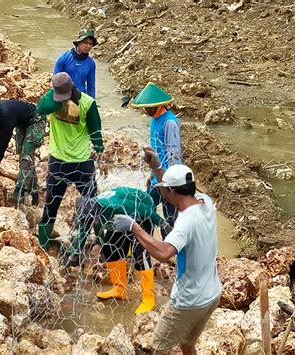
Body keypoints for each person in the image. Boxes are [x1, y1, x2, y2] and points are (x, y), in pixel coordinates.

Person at [112, 148, 221, 354]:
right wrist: (157, 168)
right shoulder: (205, 201)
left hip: (189, 301)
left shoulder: (186, 222)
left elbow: (163, 253)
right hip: (212, 295)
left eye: (165, 189)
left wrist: (134, 226)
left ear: (171, 191)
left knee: (159, 348)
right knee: (187, 344)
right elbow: (172, 190)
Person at [69, 187, 170, 314]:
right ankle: (119, 289)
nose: (89, 221)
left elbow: (146, 210)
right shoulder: (88, 210)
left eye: (92, 219)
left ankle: (149, 298)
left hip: (141, 212)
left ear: (96, 212)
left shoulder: (115, 206)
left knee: (139, 254)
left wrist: (163, 224)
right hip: (119, 221)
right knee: (109, 248)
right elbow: (85, 231)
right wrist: (74, 253)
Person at [37, 72, 104, 250]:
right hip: (62, 162)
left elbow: (96, 131)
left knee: (92, 203)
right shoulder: (53, 101)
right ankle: (42, 245)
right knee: (52, 203)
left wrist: (100, 153)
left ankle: (99, 239)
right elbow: (40, 108)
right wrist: (62, 99)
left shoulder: (88, 103)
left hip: (78, 162)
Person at [0, 96, 46, 206]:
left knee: (26, 157)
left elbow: (3, 141)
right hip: (22, 124)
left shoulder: (6, 113)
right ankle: (34, 193)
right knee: (23, 157)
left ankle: (19, 196)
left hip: (36, 120)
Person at [131, 82, 182, 228]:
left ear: (159, 105)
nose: (147, 110)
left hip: (168, 178)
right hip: (157, 176)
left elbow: (174, 154)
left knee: (170, 217)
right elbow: (156, 149)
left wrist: (172, 183)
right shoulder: (154, 120)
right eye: (145, 107)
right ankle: (149, 245)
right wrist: (152, 173)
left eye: (149, 107)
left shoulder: (169, 122)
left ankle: (170, 247)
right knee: (145, 211)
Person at [54, 28, 97, 99]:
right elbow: (56, 81)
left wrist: (92, 102)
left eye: (91, 44)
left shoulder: (91, 63)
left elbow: (91, 86)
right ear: (78, 43)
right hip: (64, 97)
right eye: (86, 43)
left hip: (81, 97)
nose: (88, 46)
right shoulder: (64, 58)